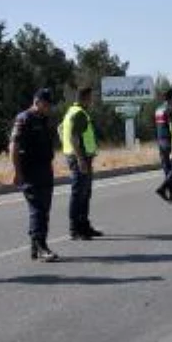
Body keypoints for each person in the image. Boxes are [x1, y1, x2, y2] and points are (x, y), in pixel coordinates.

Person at [10, 88, 59, 261]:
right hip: (30, 171)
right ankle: (41, 246)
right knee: (37, 208)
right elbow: (14, 147)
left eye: (49, 105)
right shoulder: (24, 119)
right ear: (36, 102)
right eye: (45, 104)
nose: (48, 107)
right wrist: (17, 172)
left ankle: (35, 245)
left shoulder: (45, 119)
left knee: (44, 209)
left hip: (45, 169)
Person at [60, 86, 103, 240]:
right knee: (79, 193)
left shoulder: (72, 111)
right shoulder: (79, 114)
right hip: (80, 158)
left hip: (79, 156)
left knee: (85, 193)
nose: (92, 100)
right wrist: (80, 159)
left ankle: (84, 226)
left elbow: (61, 130)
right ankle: (75, 229)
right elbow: (73, 137)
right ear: (85, 98)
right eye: (91, 97)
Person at [154, 87, 172, 202]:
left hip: (160, 141)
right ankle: (162, 188)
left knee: (167, 169)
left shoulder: (158, 109)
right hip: (168, 141)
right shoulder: (170, 109)